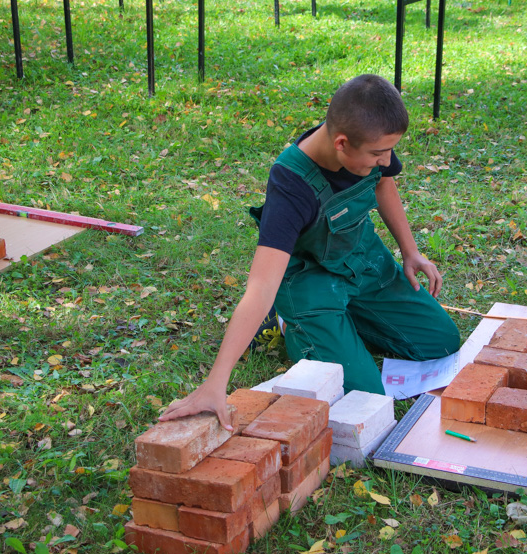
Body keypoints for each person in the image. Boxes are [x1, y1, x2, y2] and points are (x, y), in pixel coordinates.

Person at [160, 74, 460, 427]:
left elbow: (384, 184)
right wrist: (215, 384)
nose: (387, 160)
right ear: (342, 144)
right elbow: (259, 287)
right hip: (310, 280)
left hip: (362, 261)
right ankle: (292, 322)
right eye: (379, 154)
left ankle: (341, 320)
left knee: (442, 342)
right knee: (367, 396)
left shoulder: (369, 138)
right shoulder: (291, 186)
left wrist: (410, 251)